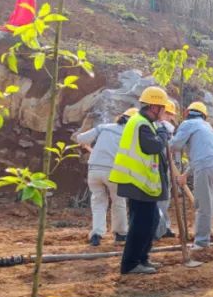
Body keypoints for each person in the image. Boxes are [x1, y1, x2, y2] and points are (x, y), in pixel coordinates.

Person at [108, 87, 171, 275]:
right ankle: (131, 263)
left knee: (151, 220)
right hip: (137, 181)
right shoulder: (141, 123)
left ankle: (142, 258)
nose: (164, 112)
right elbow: (153, 146)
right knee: (141, 223)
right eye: (162, 108)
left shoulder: (144, 123)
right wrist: (163, 134)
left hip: (141, 182)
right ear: (154, 107)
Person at [170, 101, 213, 249]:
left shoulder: (188, 124)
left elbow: (175, 145)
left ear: (187, 113)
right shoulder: (209, 128)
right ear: (204, 116)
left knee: (203, 206)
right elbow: (202, 155)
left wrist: (163, 139)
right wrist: (185, 174)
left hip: (205, 167)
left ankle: (201, 243)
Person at [73, 108, 133, 246]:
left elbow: (80, 139)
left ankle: (96, 234)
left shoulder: (104, 127)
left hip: (94, 169)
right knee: (118, 201)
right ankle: (120, 234)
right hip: (114, 171)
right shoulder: (131, 134)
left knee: (98, 202)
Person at [154, 100, 178, 240]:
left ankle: (164, 227)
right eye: (168, 113)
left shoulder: (167, 129)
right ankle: (158, 228)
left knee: (165, 198)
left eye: (171, 114)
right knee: (159, 198)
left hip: (166, 166)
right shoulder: (158, 126)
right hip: (157, 167)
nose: (171, 117)